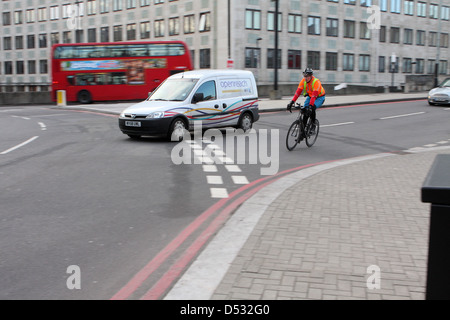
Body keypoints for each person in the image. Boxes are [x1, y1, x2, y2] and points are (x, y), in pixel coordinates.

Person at [287, 68, 325, 135]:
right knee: (304, 111)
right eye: (305, 76)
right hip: (310, 96)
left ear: (311, 76)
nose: (306, 78)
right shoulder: (303, 81)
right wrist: (292, 102)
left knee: (312, 108)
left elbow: (314, 96)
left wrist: (310, 106)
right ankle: (303, 132)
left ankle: (313, 125)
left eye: (307, 76)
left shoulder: (316, 82)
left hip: (319, 97)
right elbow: (297, 93)